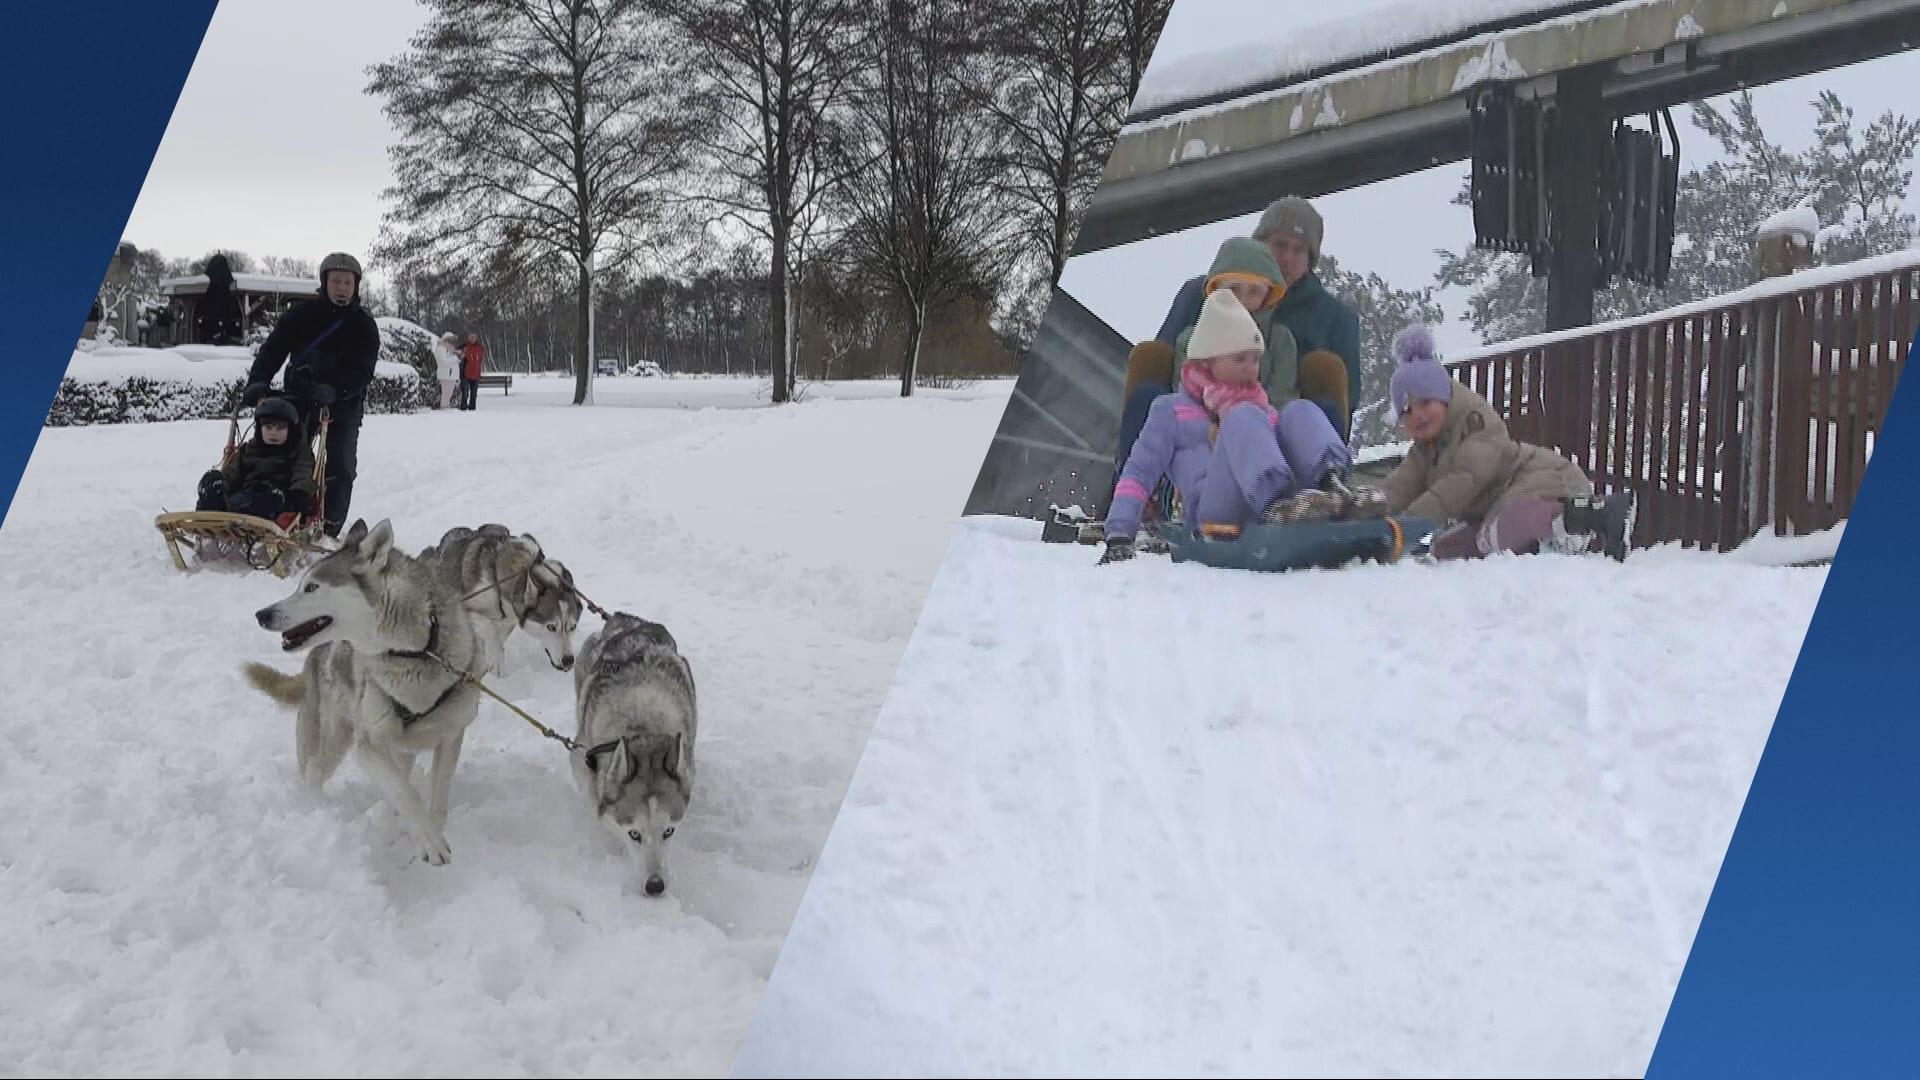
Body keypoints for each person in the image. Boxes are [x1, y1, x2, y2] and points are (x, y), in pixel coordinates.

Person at [1099, 290, 1370, 565]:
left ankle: (1335, 488)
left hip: (1280, 502)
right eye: (1240, 359)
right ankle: (1276, 505)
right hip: (1214, 511)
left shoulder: (1261, 407)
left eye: (1255, 359)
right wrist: (1120, 532)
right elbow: (1139, 471)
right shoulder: (1171, 411)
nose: (1251, 369)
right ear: (1207, 362)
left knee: (1299, 410)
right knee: (1243, 417)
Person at [1377, 325, 1635, 561]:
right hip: (1502, 504)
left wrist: (1407, 524)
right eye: (1407, 411)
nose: (1418, 415)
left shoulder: (1475, 424)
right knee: (1450, 549)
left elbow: (1463, 480)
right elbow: (1401, 484)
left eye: (1425, 403)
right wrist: (1367, 506)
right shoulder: (1425, 450)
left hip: (1544, 479)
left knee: (1505, 526)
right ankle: (1549, 541)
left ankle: (1597, 515)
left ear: (1445, 399)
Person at [241, 252, 381, 538]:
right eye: (336, 281)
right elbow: (273, 350)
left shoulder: (364, 325)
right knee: (284, 456)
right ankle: (276, 511)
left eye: (347, 282)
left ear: (355, 286)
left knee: (340, 467)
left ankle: (328, 529)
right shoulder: (301, 315)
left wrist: (336, 389)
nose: (341, 287)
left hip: (343, 405)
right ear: (324, 282)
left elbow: (363, 370)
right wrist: (257, 381)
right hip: (299, 399)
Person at [194, 396, 317, 526]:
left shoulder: (298, 452)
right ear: (260, 428)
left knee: (268, 498)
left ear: (290, 430)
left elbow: (303, 475)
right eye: (268, 427)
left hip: (277, 500)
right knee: (212, 478)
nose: (273, 433)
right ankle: (210, 513)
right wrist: (219, 485)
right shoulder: (247, 450)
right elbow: (230, 476)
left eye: (280, 428)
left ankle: (229, 516)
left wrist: (299, 493)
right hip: (243, 496)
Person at [433, 331, 462, 409]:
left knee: (448, 395)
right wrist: (456, 358)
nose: (451, 342)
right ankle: (443, 408)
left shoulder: (450, 349)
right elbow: (444, 362)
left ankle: (446, 407)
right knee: (445, 395)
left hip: (451, 376)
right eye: (450, 340)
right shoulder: (441, 348)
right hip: (446, 375)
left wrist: (457, 357)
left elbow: (453, 362)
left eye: (452, 340)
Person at [460, 333, 485, 410]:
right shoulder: (464, 346)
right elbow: (459, 357)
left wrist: (480, 370)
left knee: (474, 393)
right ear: (468, 338)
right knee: (465, 393)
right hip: (465, 374)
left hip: (476, 374)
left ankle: (472, 407)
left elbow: (481, 360)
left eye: (474, 338)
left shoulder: (480, 347)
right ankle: (463, 407)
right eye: (471, 337)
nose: (472, 339)